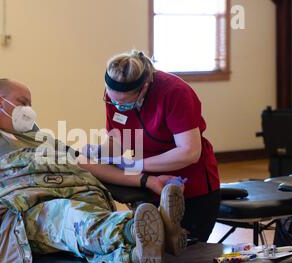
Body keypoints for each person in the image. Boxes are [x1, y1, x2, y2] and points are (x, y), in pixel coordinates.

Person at [0, 57, 187, 263]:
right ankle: (142, 229)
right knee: (68, 217)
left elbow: (89, 166)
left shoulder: (37, 137)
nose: (29, 110)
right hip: (23, 213)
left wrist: (146, 180)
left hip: (71, 196)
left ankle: (137, 252)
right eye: (23, 102)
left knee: (83, 220)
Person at [86, 50, 220, 242]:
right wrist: (100, 152)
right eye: (111, 99)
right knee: (152, 248)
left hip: (189, 184)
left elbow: (189, 152)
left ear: (144, 87)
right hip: (146, 185)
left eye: (123, 102)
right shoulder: (115, 96)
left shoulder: (175, 92)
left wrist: (136, 164)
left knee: (184, 255)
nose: (116, 105)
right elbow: (118, 138)